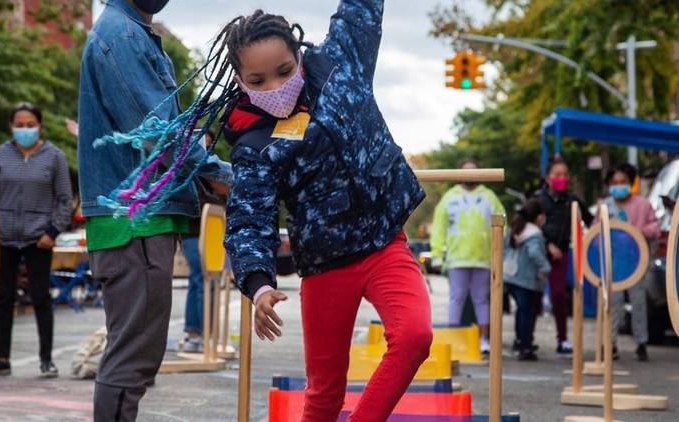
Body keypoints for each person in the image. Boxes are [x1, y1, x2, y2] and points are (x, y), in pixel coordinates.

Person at [218, 3, 432, 420]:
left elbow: (360, 8)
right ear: (241, 82)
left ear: (299, 55)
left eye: (283, 70)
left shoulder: (341, 62)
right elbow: (249, 218)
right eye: (258, 80)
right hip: (324, 265)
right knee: (324, 393)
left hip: (383, 242)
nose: (276, 86)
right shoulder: (253, 145)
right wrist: (259, 286)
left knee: (415, 336)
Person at [77, 0, 232, 420]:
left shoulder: (131, 32)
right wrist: (227, 175)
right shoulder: (122, 36)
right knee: (133, 359)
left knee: (135, 354)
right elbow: (160, 134)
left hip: (137, 221)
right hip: (133, 225)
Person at [0, 102, 73, 378]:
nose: (24, 129)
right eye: (19, 124)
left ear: (40, 126)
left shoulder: (54, 157)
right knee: (3, 298)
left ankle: (46, 359)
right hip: (4, 236)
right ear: (11, 126)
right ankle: (2, 357)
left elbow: (64, 199)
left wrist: (53, 231)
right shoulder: (1, 155)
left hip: (39, 239)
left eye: (30, 124)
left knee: (40, 297)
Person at [431, 159, 505, 355]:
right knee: (456, 299)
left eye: (474, 172)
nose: (470, 175)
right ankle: (454, 340)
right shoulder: (449, 197)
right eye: (466, 172)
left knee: (482, 300)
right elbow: (439, 228)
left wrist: (499, 255)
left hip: (483, 258)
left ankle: (484, 340)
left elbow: (501, 223)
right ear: (459, 174)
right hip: (457, 258)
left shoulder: (489, 196)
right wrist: (437, 256)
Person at [597, 163, 660, 361]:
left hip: (636, 261)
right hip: (612, 263)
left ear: (631, 183)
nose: (618, 186)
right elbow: (594, 233)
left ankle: (641, 343)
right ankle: (610, 343)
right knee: (612, 303)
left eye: (623, 182)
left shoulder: (643, 204)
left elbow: (656, 227)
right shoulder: (605, 206)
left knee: (638, 302)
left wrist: (641, 232)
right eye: (614, 182)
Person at [535, 157, 593, 357]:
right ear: (548, 177)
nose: (562, 178)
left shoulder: (572, 200)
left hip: (562, 254)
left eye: (565, 175)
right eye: (557, 175)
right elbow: (526, 225)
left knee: (559, 296)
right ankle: (525, 340)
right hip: (537, 253)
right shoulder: (538, 199)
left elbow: (591, 221)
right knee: (532, 296)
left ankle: (563, 340)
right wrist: (547, 244)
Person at [180, 131, 230, 353]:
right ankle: (195, 333)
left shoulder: (212, 165)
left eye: (208, 141)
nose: (205, 144)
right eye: (201, 141)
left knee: (208, 280)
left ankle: (205, 334)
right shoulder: (187, 163)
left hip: (213, 228)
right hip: (192, 229)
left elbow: (223, 191)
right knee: (200, 278)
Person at [504, 198, 551, 361]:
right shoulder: (535, 234)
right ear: (538, 217)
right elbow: (534, 253)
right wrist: (545, 268)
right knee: (527, 312)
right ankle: (526, 346)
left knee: (521, 310)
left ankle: (519, 341)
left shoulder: (515, 228)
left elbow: (503, 248)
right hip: (526, 279)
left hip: (510, 276)